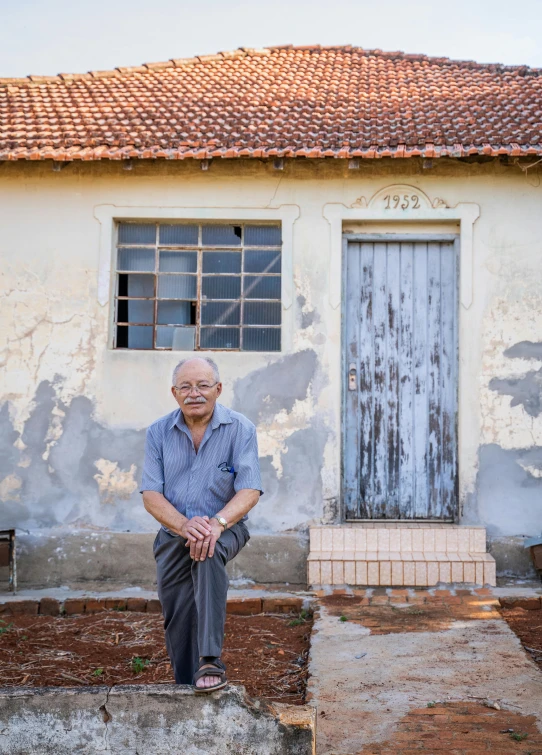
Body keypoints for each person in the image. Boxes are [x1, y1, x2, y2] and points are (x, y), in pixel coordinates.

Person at [140, 356, 262, 693]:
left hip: (227, 526)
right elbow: (151, 495)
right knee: (177, 612)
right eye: (186, 387)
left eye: (203, 385)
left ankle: (210, 659)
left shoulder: (240, 429)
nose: (195, 393)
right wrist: (183, 526)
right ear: (174, 393)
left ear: (218, 389)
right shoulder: (158, 432)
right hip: (174, 530)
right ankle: (184, 685)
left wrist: (217, 524)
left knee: (208, 553)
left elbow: (250, 490)